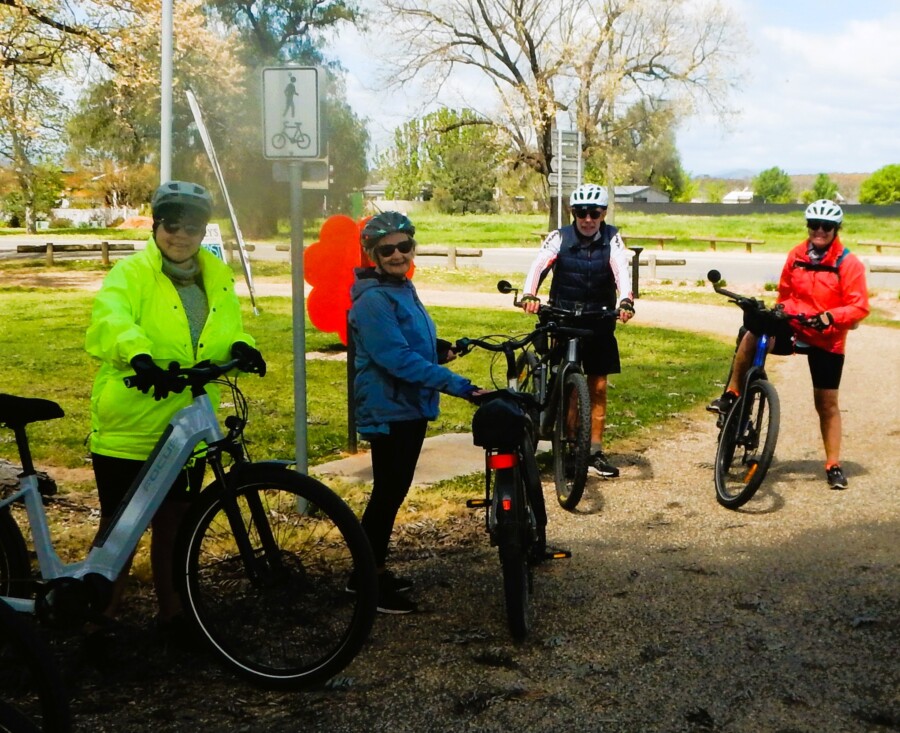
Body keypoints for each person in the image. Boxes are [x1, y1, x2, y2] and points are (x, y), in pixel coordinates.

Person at [84, 180, 266, 643]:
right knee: (121, 529)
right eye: (171, 225)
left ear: (203, 230)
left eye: (192, 227)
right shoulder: (130, 273)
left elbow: (225, 327)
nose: (180, 236)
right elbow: (110, 319)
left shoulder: (215, 273)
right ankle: (98, 622)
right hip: (132, 424)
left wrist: (242, 346)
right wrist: (138, 355)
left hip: (186, 423)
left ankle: (174, 615)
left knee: (177, 522)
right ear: (156, 225)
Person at [348, 211, 487, 614]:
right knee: (387, 493)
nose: (397, 254)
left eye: (403, 246)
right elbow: (396, 358)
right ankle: (367, 581)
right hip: (390, 407)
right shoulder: (374, 300)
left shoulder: (400, 288)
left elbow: (408, 343)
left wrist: (439, 350)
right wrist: (461, 387)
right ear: (372, 255)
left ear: (413, 247)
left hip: (407, 405)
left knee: (391, 491)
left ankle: (368, 572)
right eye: (386, 249)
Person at [706, 199, 869, 489]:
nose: (820, 231)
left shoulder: (848, 264)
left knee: (827, 404)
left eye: (826, 226)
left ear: (836, 229)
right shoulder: (796, 255)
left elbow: (859, 307)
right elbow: (786, 294)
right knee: (753, 332)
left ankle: (833, 465)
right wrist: (781, 310)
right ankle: (733, 393)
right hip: (794, 326)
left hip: (826, 338)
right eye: (814, 225)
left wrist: (830, 316)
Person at [520, 183, 635, 478]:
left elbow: (621, 270)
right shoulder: (559, 237)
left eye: (594, 213)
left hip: (599, 319)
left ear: (604, 213)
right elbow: (539, 265)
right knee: (568, 386)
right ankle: (570, 446)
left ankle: (594, 451)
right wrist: (530, 294)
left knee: (598, 388)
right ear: (573, 213)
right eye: (581, 213)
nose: (587, 219)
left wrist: (626, 300)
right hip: (564, 316)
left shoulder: (612, 239)